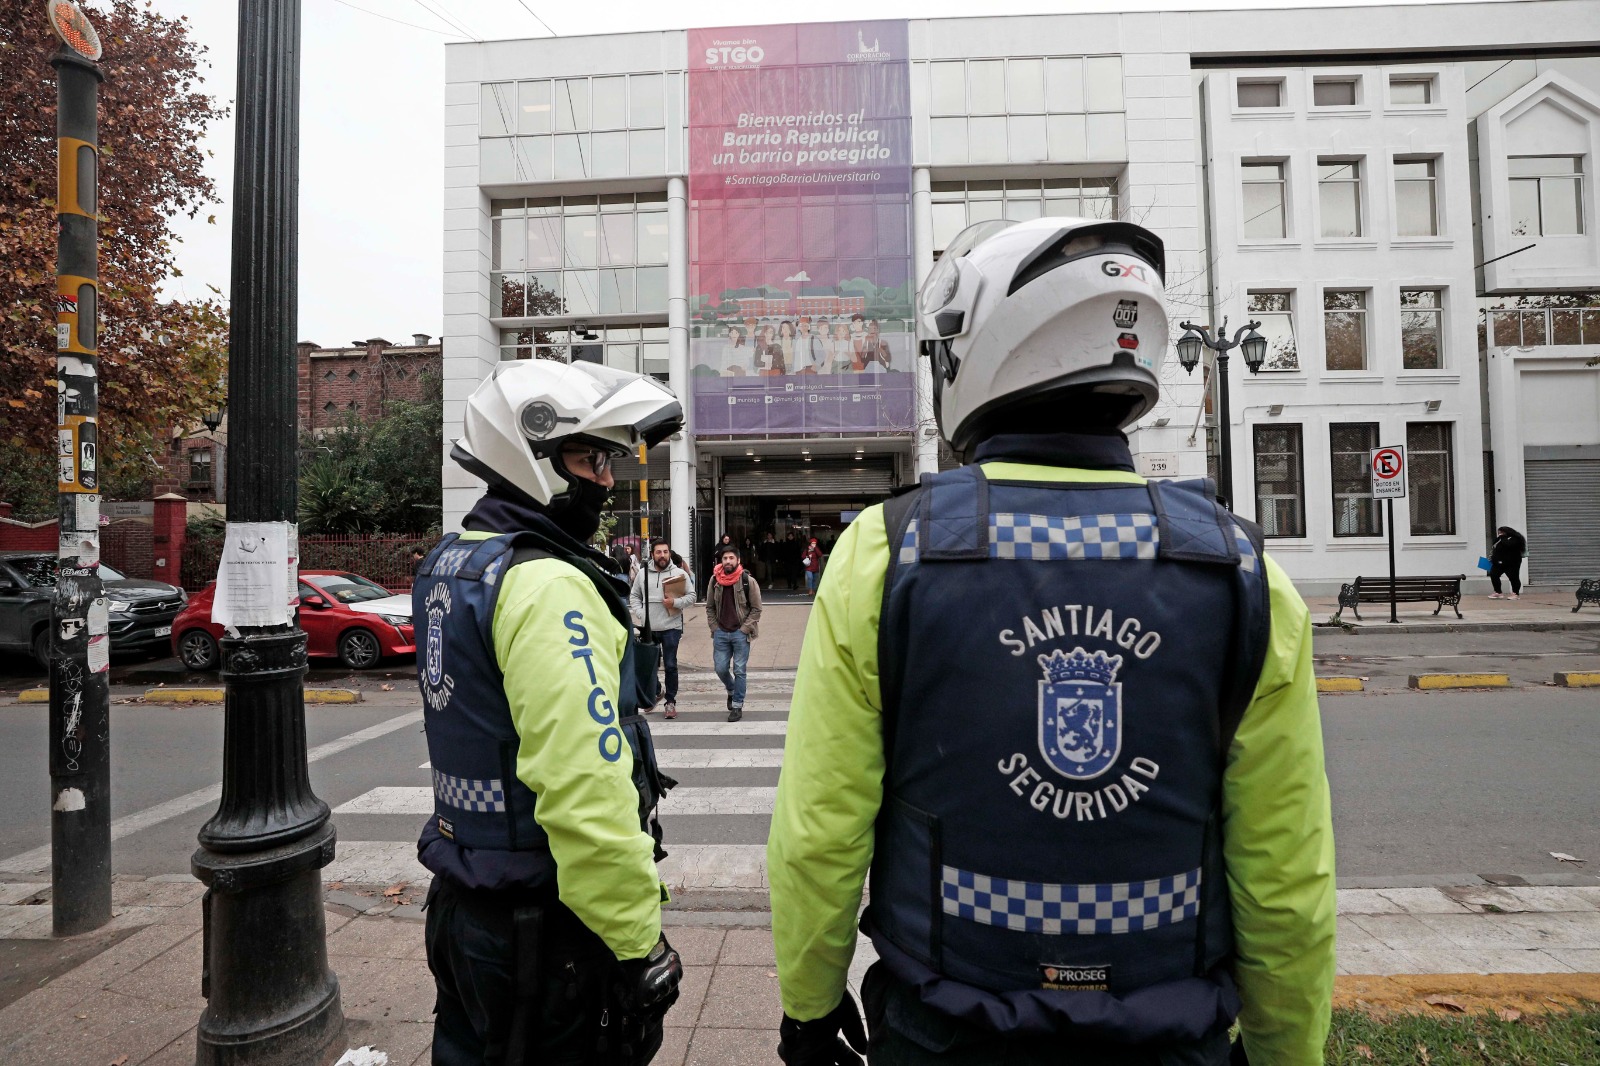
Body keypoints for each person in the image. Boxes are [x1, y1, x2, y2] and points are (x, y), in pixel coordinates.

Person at [767, 217, 1335, 1066]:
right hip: (1170, 1035)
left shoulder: (888, 555)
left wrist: (809, 1009)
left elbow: (820, 834)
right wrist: (1288, 1048)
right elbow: (1286, 873)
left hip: (945, 1030)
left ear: (979, 349)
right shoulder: (1240, 570)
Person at [413, 359, 685, 1064]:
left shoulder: (456, 562)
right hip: (544, 925)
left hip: (468, 904)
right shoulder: (549, 585)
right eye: (589, 456)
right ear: (531, 451)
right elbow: (583, 787)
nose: (605, 477)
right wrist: (636, 940)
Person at [631, 538, 696, 720]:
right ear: (652, 554)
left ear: (669, 553)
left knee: (670, 664)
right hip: (649, 627)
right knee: (648, 666)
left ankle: (670, 701)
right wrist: (641, 614)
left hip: (671, 626)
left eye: (665, 552)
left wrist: (675, 602)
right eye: (658, 552)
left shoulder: (678, 573)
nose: (662, 555)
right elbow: (634, 596)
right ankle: (657, 691)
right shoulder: (643, 574)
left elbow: (692, 596)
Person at [704, 543, 761, 723]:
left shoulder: (747, 581)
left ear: (738, 560)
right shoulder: (714, 581)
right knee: (720, 668)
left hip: (740, 633)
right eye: (725, 558)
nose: (728, 561)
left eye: (731, 558)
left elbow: (757, 609)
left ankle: (737, 705)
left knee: (739, 670)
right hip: (721, 632)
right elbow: (710, 607)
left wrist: (745, 629)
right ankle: (731, 689)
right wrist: (714, 627)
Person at [1488, 526, 1527, 599]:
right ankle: (1498, 592)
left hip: (1512, 562)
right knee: (1494, 575)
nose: (1499, 534)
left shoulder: (1515, 539)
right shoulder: (1499, 539)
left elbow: (1508, 545)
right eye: (1499, 532)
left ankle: (1515, 593)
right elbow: (1495, 548)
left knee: (1513, 577)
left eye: (1501, 532)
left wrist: (1502, 537)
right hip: (1499, 562)